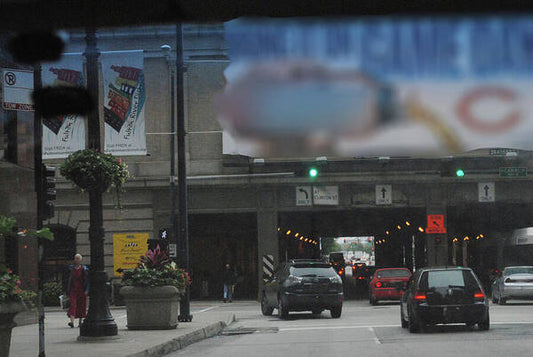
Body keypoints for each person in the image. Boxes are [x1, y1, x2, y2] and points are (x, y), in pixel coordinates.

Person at [65, 253, 89, 328]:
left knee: (82, 305)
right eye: (76, 258)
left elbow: (87, 280)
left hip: (82, 290)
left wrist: (87, 290)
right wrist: (66, 290)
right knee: (73, 305)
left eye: (78, 258)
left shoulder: (84, 269)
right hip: (73, 289)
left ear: (81, 260)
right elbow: (67, 280)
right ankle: (71, 322)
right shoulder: (70, 269)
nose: (77, 260)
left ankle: (80, 321)